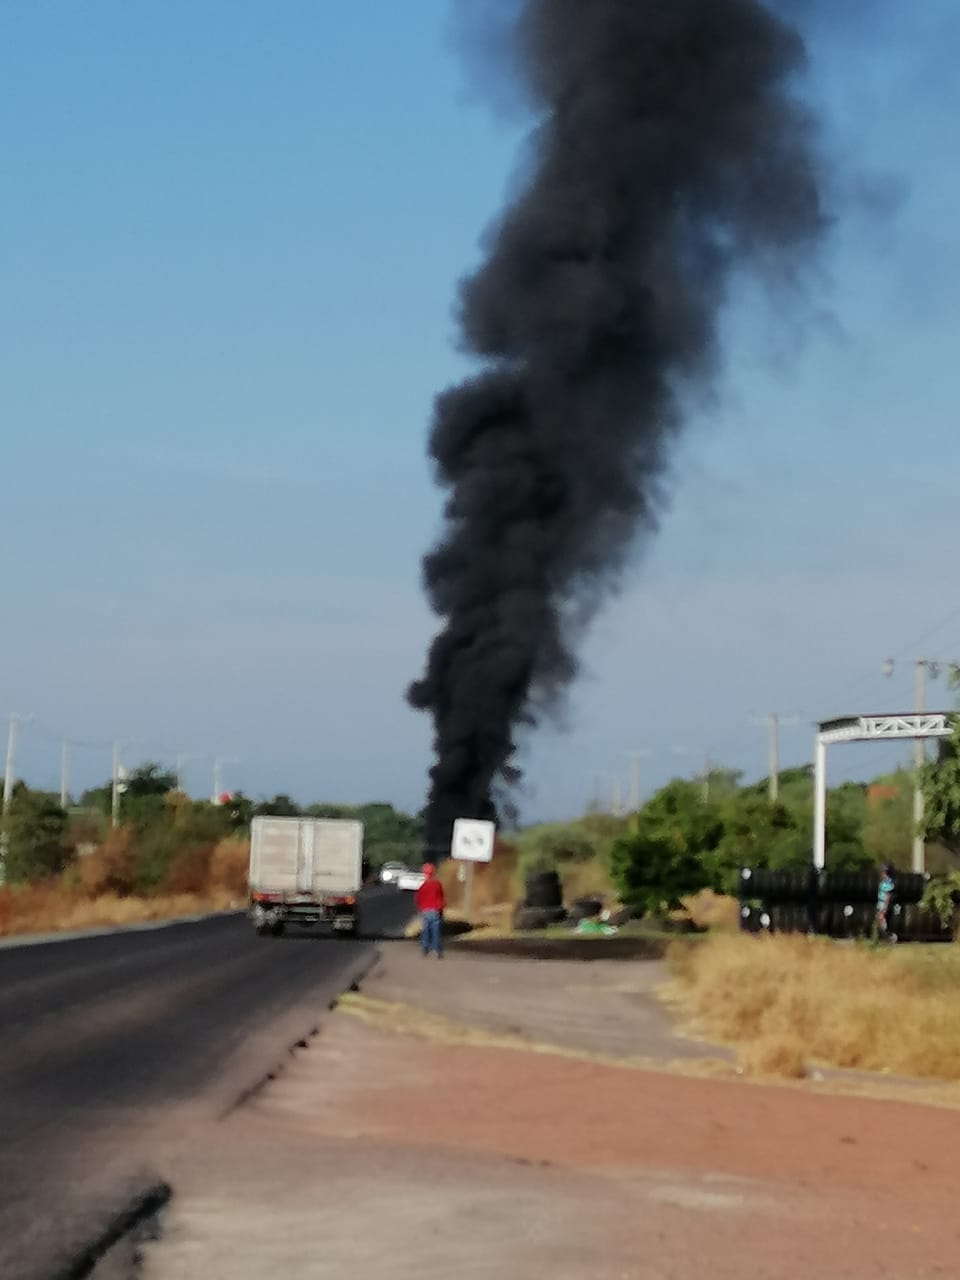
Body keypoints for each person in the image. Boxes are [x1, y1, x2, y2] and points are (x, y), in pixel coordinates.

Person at [415, 863, 445, 957]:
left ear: (424, 873)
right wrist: (441, 909)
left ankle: (425, 948)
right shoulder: (437, 884)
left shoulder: (423, 886)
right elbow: (441, 897)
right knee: (435, 931)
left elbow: (418, 898)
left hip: (425, 911)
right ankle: (436, 950)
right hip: (435, 910)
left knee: (425, 930)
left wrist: (419, 908)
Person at [875, 863, 897, 943]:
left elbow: (888, 896)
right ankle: (881, 938)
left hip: (883, 904)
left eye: (882, 872)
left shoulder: (888, 883)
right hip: (880, 903)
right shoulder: (882, 882)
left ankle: (890, 937)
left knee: (881, 921)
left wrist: (885, 908)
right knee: (878, 921)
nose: (881, 874)